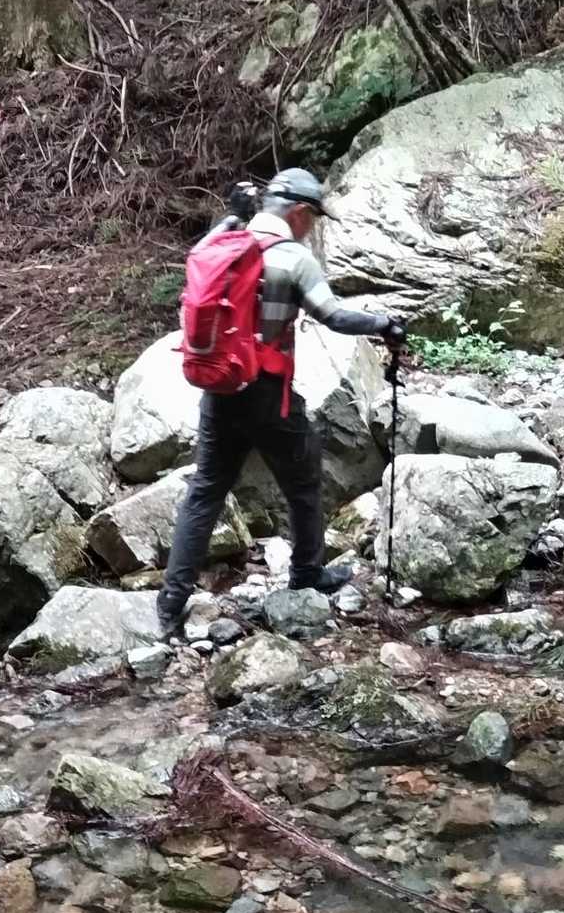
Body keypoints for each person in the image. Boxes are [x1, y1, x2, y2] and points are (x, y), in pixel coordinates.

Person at [157, 167, 406, 637]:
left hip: (219, 388)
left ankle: (171, 603)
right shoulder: (293, 257)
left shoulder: (223, 243)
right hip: (268, 393)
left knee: (206, 490)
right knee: (304, 481)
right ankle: (307, 572)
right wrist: (384, 324)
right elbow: (333, 315)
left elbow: (194, 271)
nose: (313, 226)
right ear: (299, 212)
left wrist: (230, 218)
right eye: (313, 217)